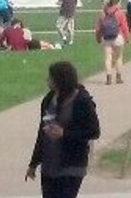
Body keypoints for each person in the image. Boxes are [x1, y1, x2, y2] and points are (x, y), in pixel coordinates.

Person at [27, 61, 101, 198]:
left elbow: (94, 132)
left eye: (50, 78)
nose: (47, 80)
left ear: (60, 80)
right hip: (49, 163)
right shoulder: (48, 99)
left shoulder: (82, 101)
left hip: (71, 164)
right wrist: (33, 163)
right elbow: (41, 133)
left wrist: (65, 133)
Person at [97, 0, 131, 85]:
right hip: (118, 37)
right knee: (119, 57)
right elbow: (125, 27)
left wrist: (98, 38)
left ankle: (108, 78)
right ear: (116, 4)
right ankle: (118, 77)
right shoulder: (120, 13)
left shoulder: (103, 13)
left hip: (107, 37)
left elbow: (99, 28)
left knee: (108, 58)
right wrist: (127, 38)